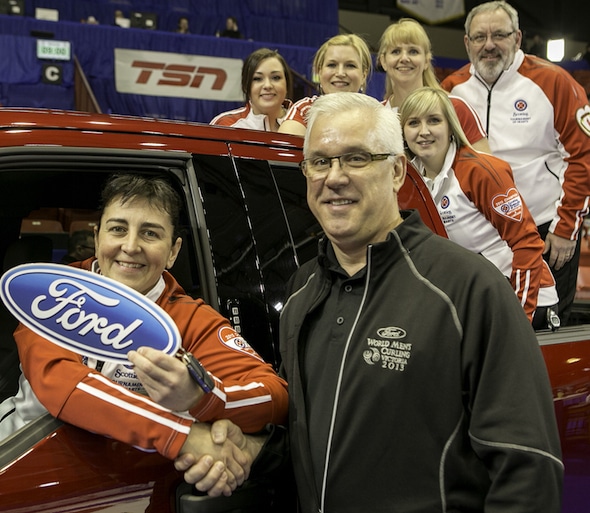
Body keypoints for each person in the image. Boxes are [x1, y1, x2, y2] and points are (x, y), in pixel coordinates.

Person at [178, 92, 564, 510]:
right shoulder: (302, 291)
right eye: (320, 162)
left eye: (357, 158)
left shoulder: (467, 288)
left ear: (398, 170)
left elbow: (529, 469)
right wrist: (253, 451)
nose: (335, 177)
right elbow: (310, 442)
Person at [0, 174, 288, 495]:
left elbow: (272, 396)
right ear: (97, 238)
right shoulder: (52, 291)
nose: (130, 246)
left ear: (173, 251)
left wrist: (203, 397)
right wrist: (183, 435)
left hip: (128, 491)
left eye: (150, 233)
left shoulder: (192, 319)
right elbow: (61, 381)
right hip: (18, 465)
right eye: (118, 229)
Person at [441, 0, 590, 325]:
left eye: (499, 35)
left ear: (518, 38)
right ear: (466, 43)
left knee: (542, 327)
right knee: (477, 328)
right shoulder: (451, 90)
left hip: (545, 230)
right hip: (475, 238)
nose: (489, 45)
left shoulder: (555, 82)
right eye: (479, 37)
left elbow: (583, 156)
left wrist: (566, 228)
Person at [399, 86, 559, 329]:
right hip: (474, 299)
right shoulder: (411, 179)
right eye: (413, 123)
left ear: (451, 126)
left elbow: (527, 243)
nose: (423, 132)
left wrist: (520, 316)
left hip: (523, 297)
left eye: (434, 121)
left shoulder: (480, 171)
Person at [378, 18, 491, 153]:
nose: (404, 58)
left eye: (413, 51)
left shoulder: (454, 107)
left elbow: (486, 167)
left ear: (426, 60)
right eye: (396, 51)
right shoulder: (376, 114)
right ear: (383, 61)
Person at [278, 34, 372, 136]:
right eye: (332, 65)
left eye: (350, 65)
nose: (340, 73)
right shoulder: (304, 111)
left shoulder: (376, 115)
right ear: (319, 72)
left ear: (363, 75)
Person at [210, 48, 293, 132]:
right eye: (257, 79)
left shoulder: (304, 122)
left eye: (276, 77)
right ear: (246, 86)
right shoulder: (224, 125)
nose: (268, 85)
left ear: (287, 83)